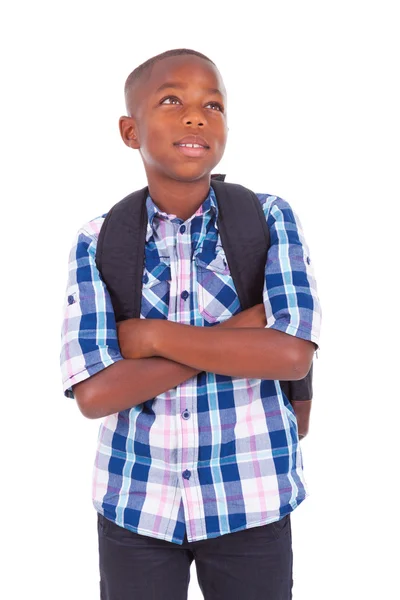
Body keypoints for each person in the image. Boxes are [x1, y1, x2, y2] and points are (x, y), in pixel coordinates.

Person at [60, 48, 321, 600]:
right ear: (131, 131)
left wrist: (150, 338)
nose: (196, 115)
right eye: (172, 100)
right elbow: (95, 394)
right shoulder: (99, 238)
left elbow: (293, 354)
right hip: (136, 504)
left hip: (251, 496)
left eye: (213, 104)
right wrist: (243, 335)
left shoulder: (268, 217)